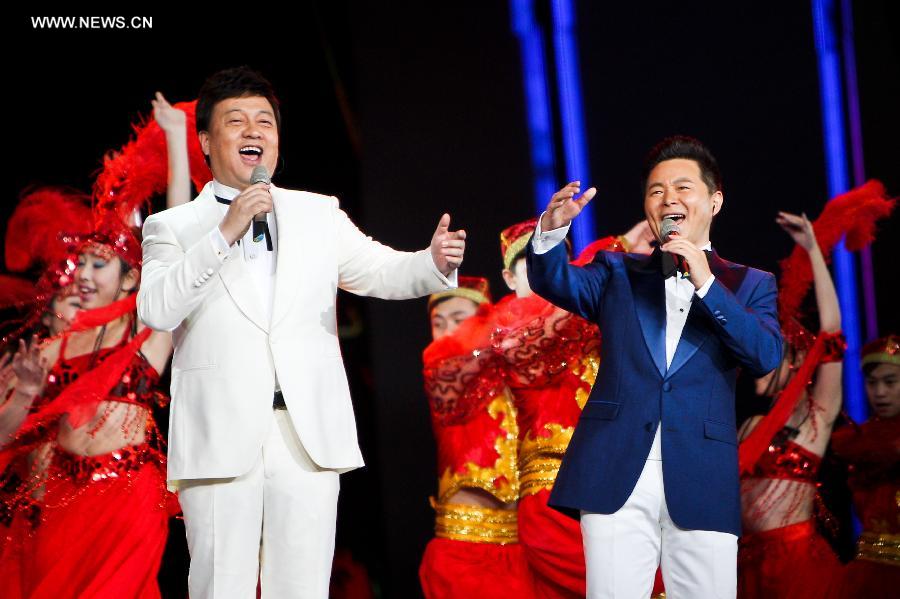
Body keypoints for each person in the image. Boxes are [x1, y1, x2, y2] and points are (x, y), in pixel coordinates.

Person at [137, 66, 466, 598]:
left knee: (304, 589)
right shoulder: (173, 227)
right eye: (236, 121)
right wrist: (225, 231)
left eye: (264, 121)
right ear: (205, 140)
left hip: (305, 435)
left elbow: (381, 272)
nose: (253, 131)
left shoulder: (318, 214)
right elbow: (156, 307)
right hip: (219, 440)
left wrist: (431, 263)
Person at [526, 136, 783, 597]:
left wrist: (705, 280)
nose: (669, 199)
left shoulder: (751, 284)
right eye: (656, 190)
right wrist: (549, 231)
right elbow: (553, 279)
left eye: (683, 188)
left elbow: (764, 356)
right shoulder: (617, 273)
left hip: (702, 474)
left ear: (715, 200)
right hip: (615, 470)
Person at [0, 221, 174, 599]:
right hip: (65, 501)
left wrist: (142, 217)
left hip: (128, 495)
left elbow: (173, 255)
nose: (83, 274)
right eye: (81, 264)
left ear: (130, 280)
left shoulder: (145, 331)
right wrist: (26, 392)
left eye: (98, 265)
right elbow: (2, 438)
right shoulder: (51, 350)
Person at [736, 211, 845, 598]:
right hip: (747, 565)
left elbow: (832, 334)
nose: (755, 368)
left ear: (796, 360)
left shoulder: (817, 418)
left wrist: (813, 249)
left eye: (767, 357)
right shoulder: (748, 426)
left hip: (796, 565)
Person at [419, 277, 535, 599]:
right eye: (438, 323)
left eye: (460, 320)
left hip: (524, 543)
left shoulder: (517, 375)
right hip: (466, 547)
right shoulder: (442, 372)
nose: (448, 332)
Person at [831, 334, 900, 598]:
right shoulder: (855, 442)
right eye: (872, 383)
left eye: (890, 382)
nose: (880, 392)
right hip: (869, 574)